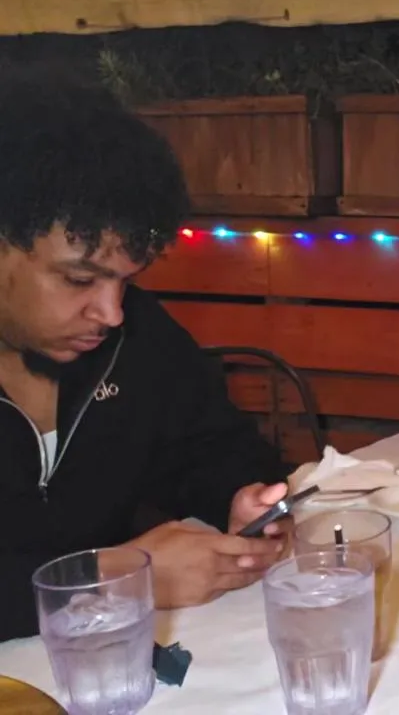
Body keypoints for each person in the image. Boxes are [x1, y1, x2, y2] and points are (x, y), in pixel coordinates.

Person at [0, 68, 293, 642]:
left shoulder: (138, 335)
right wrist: (111, 577)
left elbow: (210, 446)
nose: (111, 313)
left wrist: (243, 498)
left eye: (126, 281)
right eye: (79, 279)